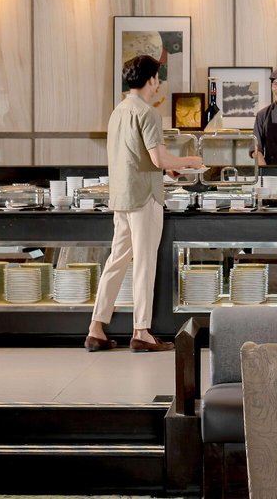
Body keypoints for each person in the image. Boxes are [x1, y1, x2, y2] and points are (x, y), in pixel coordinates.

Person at [85, 55, 203, 353]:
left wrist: (166, 168)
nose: (158, 84)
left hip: (122, 196)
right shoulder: (148, 113)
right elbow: (158, 158)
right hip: (144, 198)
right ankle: (141, 331)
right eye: (157, 78)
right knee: (144, 263)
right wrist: (189, 161)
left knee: (117, 261)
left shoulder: (118, 111)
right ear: (151, 79)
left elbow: (135, 156)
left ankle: (96, 328)